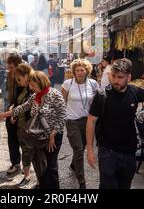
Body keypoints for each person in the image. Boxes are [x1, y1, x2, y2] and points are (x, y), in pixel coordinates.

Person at [86, 58, 144, 189]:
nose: (116, 80)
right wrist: (90, 150)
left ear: (129, 77)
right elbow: (91, 122)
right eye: (113, 76)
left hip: (129, 152)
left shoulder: (135, 92)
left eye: (120, 77)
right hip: (107, 151)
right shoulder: (102, 95)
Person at [0, 71, 66, 189]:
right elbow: (22, 107)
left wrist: (53, 134)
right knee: (40, 165)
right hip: (37, 137)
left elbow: (62, 116)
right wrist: (3, 115)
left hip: (53, 136)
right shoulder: (35, 96)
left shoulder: (55, 94)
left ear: (41, 83)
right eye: (31, 85)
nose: (31, 88)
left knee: (51, 166)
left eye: (33, 85)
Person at [61, 59, 99, 189]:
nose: (80, 72)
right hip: (72, 121)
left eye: (82, 70)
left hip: (88, 122)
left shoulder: (93, 84)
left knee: (81, 147)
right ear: (74, 71)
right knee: (78, 149)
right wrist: (62, 120)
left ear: (87, 70)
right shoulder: (67, 84)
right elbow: (62, 103)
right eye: (77, 70)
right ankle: (82, 181)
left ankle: (73, 164)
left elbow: (97, 101)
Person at [12, 64, 34, 188]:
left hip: (30, 126)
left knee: (28, 150)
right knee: (24, 148)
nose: (17, 81)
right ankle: (27, 171)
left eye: (19, 78)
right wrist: (13, 114)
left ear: (26, 76)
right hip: (20, 125)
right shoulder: (21, 88)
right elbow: (16, 103)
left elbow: (27, 106)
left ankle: (27, 175)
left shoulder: (33, 89)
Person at [4, 54, 23, 175]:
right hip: (11, 107)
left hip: (21, 110)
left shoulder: (24, 75)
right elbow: (8, 92)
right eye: (9, 67)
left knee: (23, 138)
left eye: (11, 67)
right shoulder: (9, 75)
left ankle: (25, 164)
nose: (9, 70)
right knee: (11, 137)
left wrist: (15, 112)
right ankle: (16, 162)